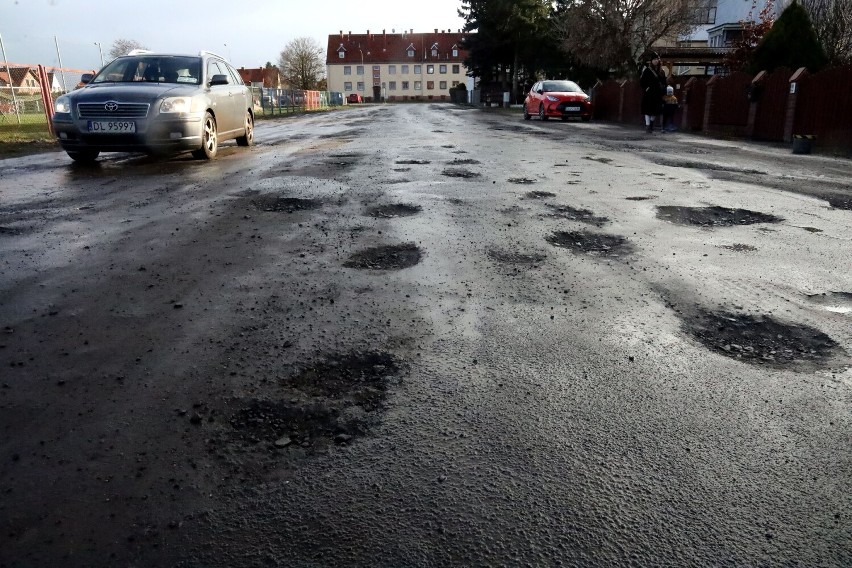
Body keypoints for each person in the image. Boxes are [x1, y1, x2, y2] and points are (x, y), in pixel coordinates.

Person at [640, 52, 666, 133]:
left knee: (655, 111)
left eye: (657, 59)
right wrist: (646, 88)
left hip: (658, 94)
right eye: (654, 59)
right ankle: (648, 126)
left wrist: (663, 90)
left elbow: (664, 82)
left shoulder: (661, 71)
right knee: (647, 110)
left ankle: (651, 123)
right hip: (649, 94)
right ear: (651, 61)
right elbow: (642, 81)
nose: (656, 61)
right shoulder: (647, 70)